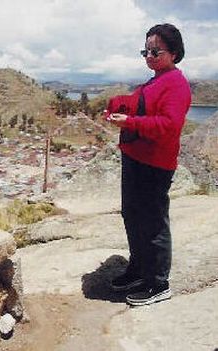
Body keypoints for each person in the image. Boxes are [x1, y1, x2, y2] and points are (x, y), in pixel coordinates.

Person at [105, 23, 191, 306]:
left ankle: (158, 282)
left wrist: (129, 122)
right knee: (132, 215)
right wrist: (118, 103)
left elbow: (169, 125)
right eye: (146, 50)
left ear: (174, 53)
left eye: (156, 50)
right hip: (135, 157)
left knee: (153, 221)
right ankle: (140, 268)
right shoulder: (155, 80)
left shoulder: (176, 84)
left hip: (155, 164)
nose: (149, 56)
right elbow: (139, 103)